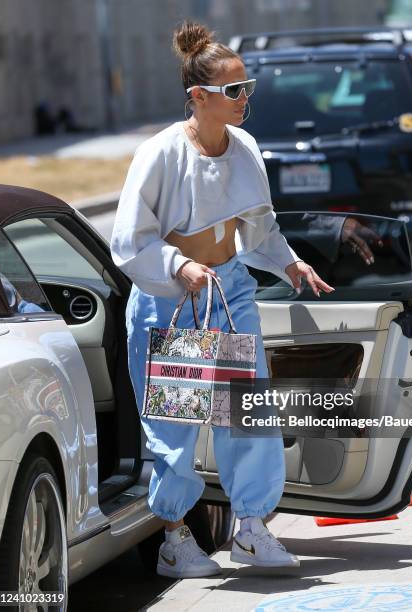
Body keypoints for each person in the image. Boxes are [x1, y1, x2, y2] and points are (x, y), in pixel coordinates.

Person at [110, 20, 336, 579]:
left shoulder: (246, 149)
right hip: (177, 300)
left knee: (247, 416)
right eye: (233, 90)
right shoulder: (161, 153)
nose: (244, 100)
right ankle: (174, 538)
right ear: (199, 97)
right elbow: (130, 240)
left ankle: (252, 530)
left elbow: (258, 226)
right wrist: (178, 264)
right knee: (177, 427)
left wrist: (289, 262)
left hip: (228, 288)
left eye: (247, 88)